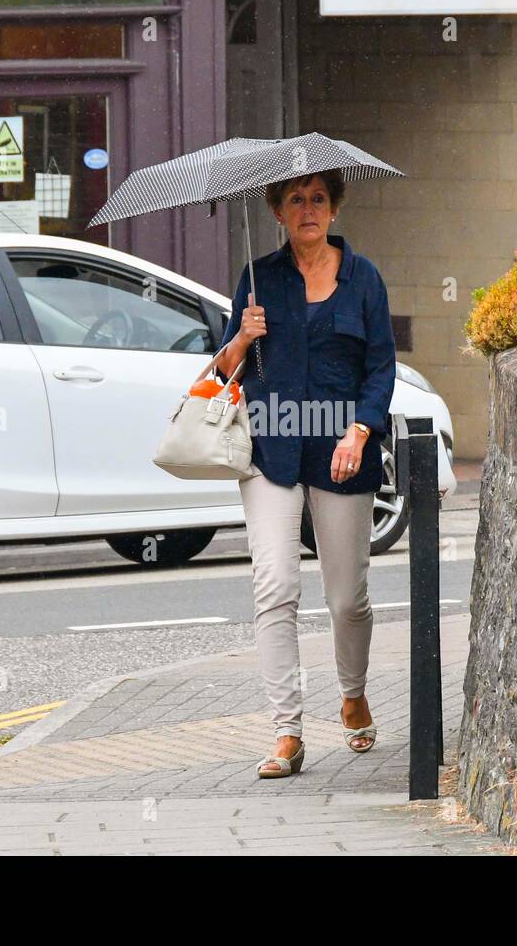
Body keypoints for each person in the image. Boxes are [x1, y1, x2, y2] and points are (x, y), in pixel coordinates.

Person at [214, 169, 396, 778]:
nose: (308, 208)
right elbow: (221, 372)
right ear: (278, 212)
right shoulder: (258, 278)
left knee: (347, 598)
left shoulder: (363, 278)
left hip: (343, 449)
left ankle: (352, 692)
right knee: (274, 588)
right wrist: (242, 336)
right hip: (271, 450)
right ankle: (286, 733)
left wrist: (360, 429)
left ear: (335, 209)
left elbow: (381, 368)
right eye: (296, 199)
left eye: (318, 198)